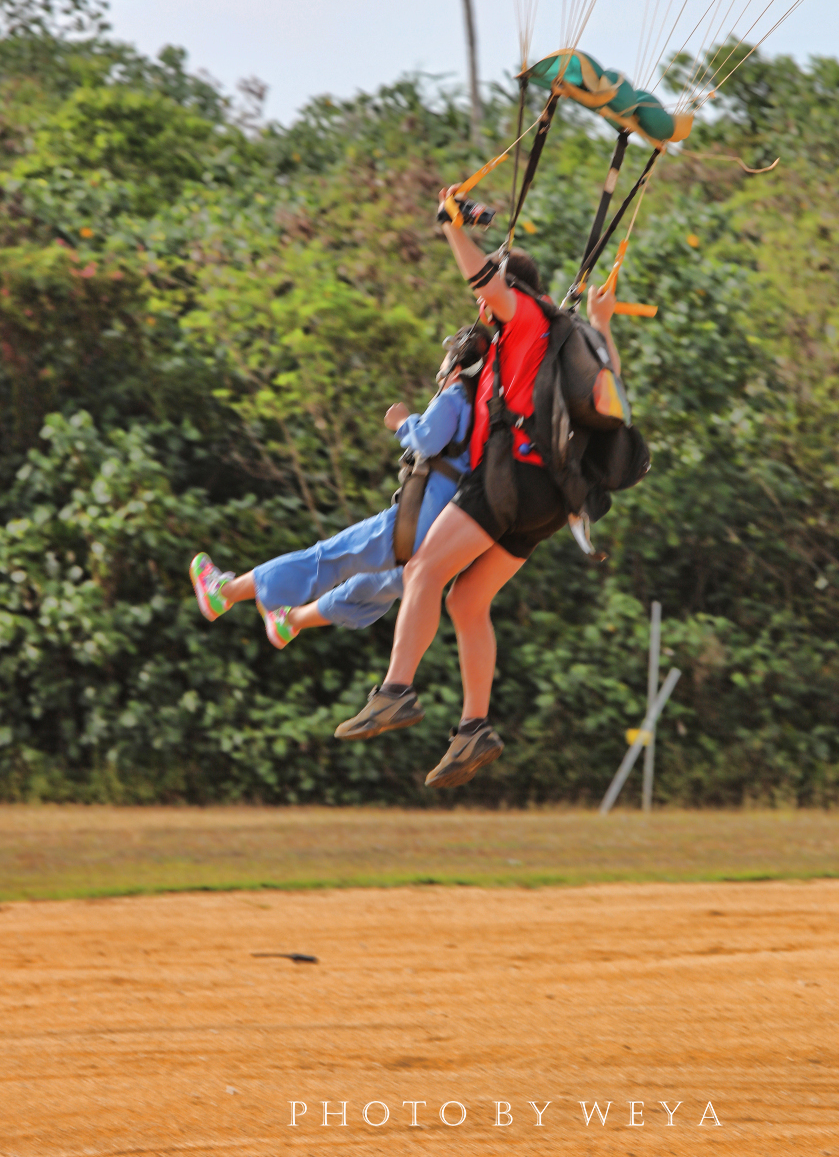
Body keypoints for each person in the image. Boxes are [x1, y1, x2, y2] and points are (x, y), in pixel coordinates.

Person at [335, 185, 621, 790]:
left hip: (510, 481)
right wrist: (602, 322)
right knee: (467, 602)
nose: (481, 314)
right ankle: (473, 729)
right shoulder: (570, 332)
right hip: (551, 503)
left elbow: (485, 281)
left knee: (423, 573)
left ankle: (396, 692)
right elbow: (608, 387)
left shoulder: (523, 318)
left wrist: (453, 230)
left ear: (509, 294)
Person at [187, 326, 489, 644]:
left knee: (326, 558)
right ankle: (290, 622)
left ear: (456, 364)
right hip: (441, 542)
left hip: (413, 524)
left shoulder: (456, 396)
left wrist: (402, 422)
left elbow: (427, 440)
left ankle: (224, 593)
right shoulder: (482, 414)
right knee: (366, 588)